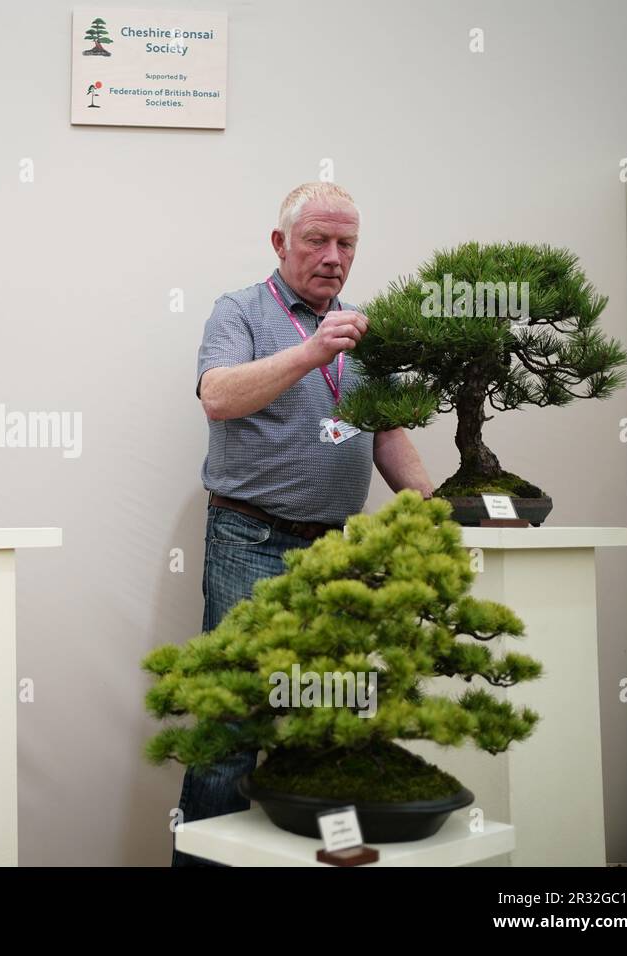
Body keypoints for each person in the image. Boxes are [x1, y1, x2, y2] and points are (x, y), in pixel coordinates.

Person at [173, 182, 434, 866]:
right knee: (234, 721)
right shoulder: (241, 311)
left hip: (338, 553)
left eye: (346, 243)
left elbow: (385, 436)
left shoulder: (362, 326)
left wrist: (436, 508)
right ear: (280, 243)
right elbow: (219, 397)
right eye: (317, 240)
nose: (332, 256)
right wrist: (313, 351)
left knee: (335, 718)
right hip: (250, 543)